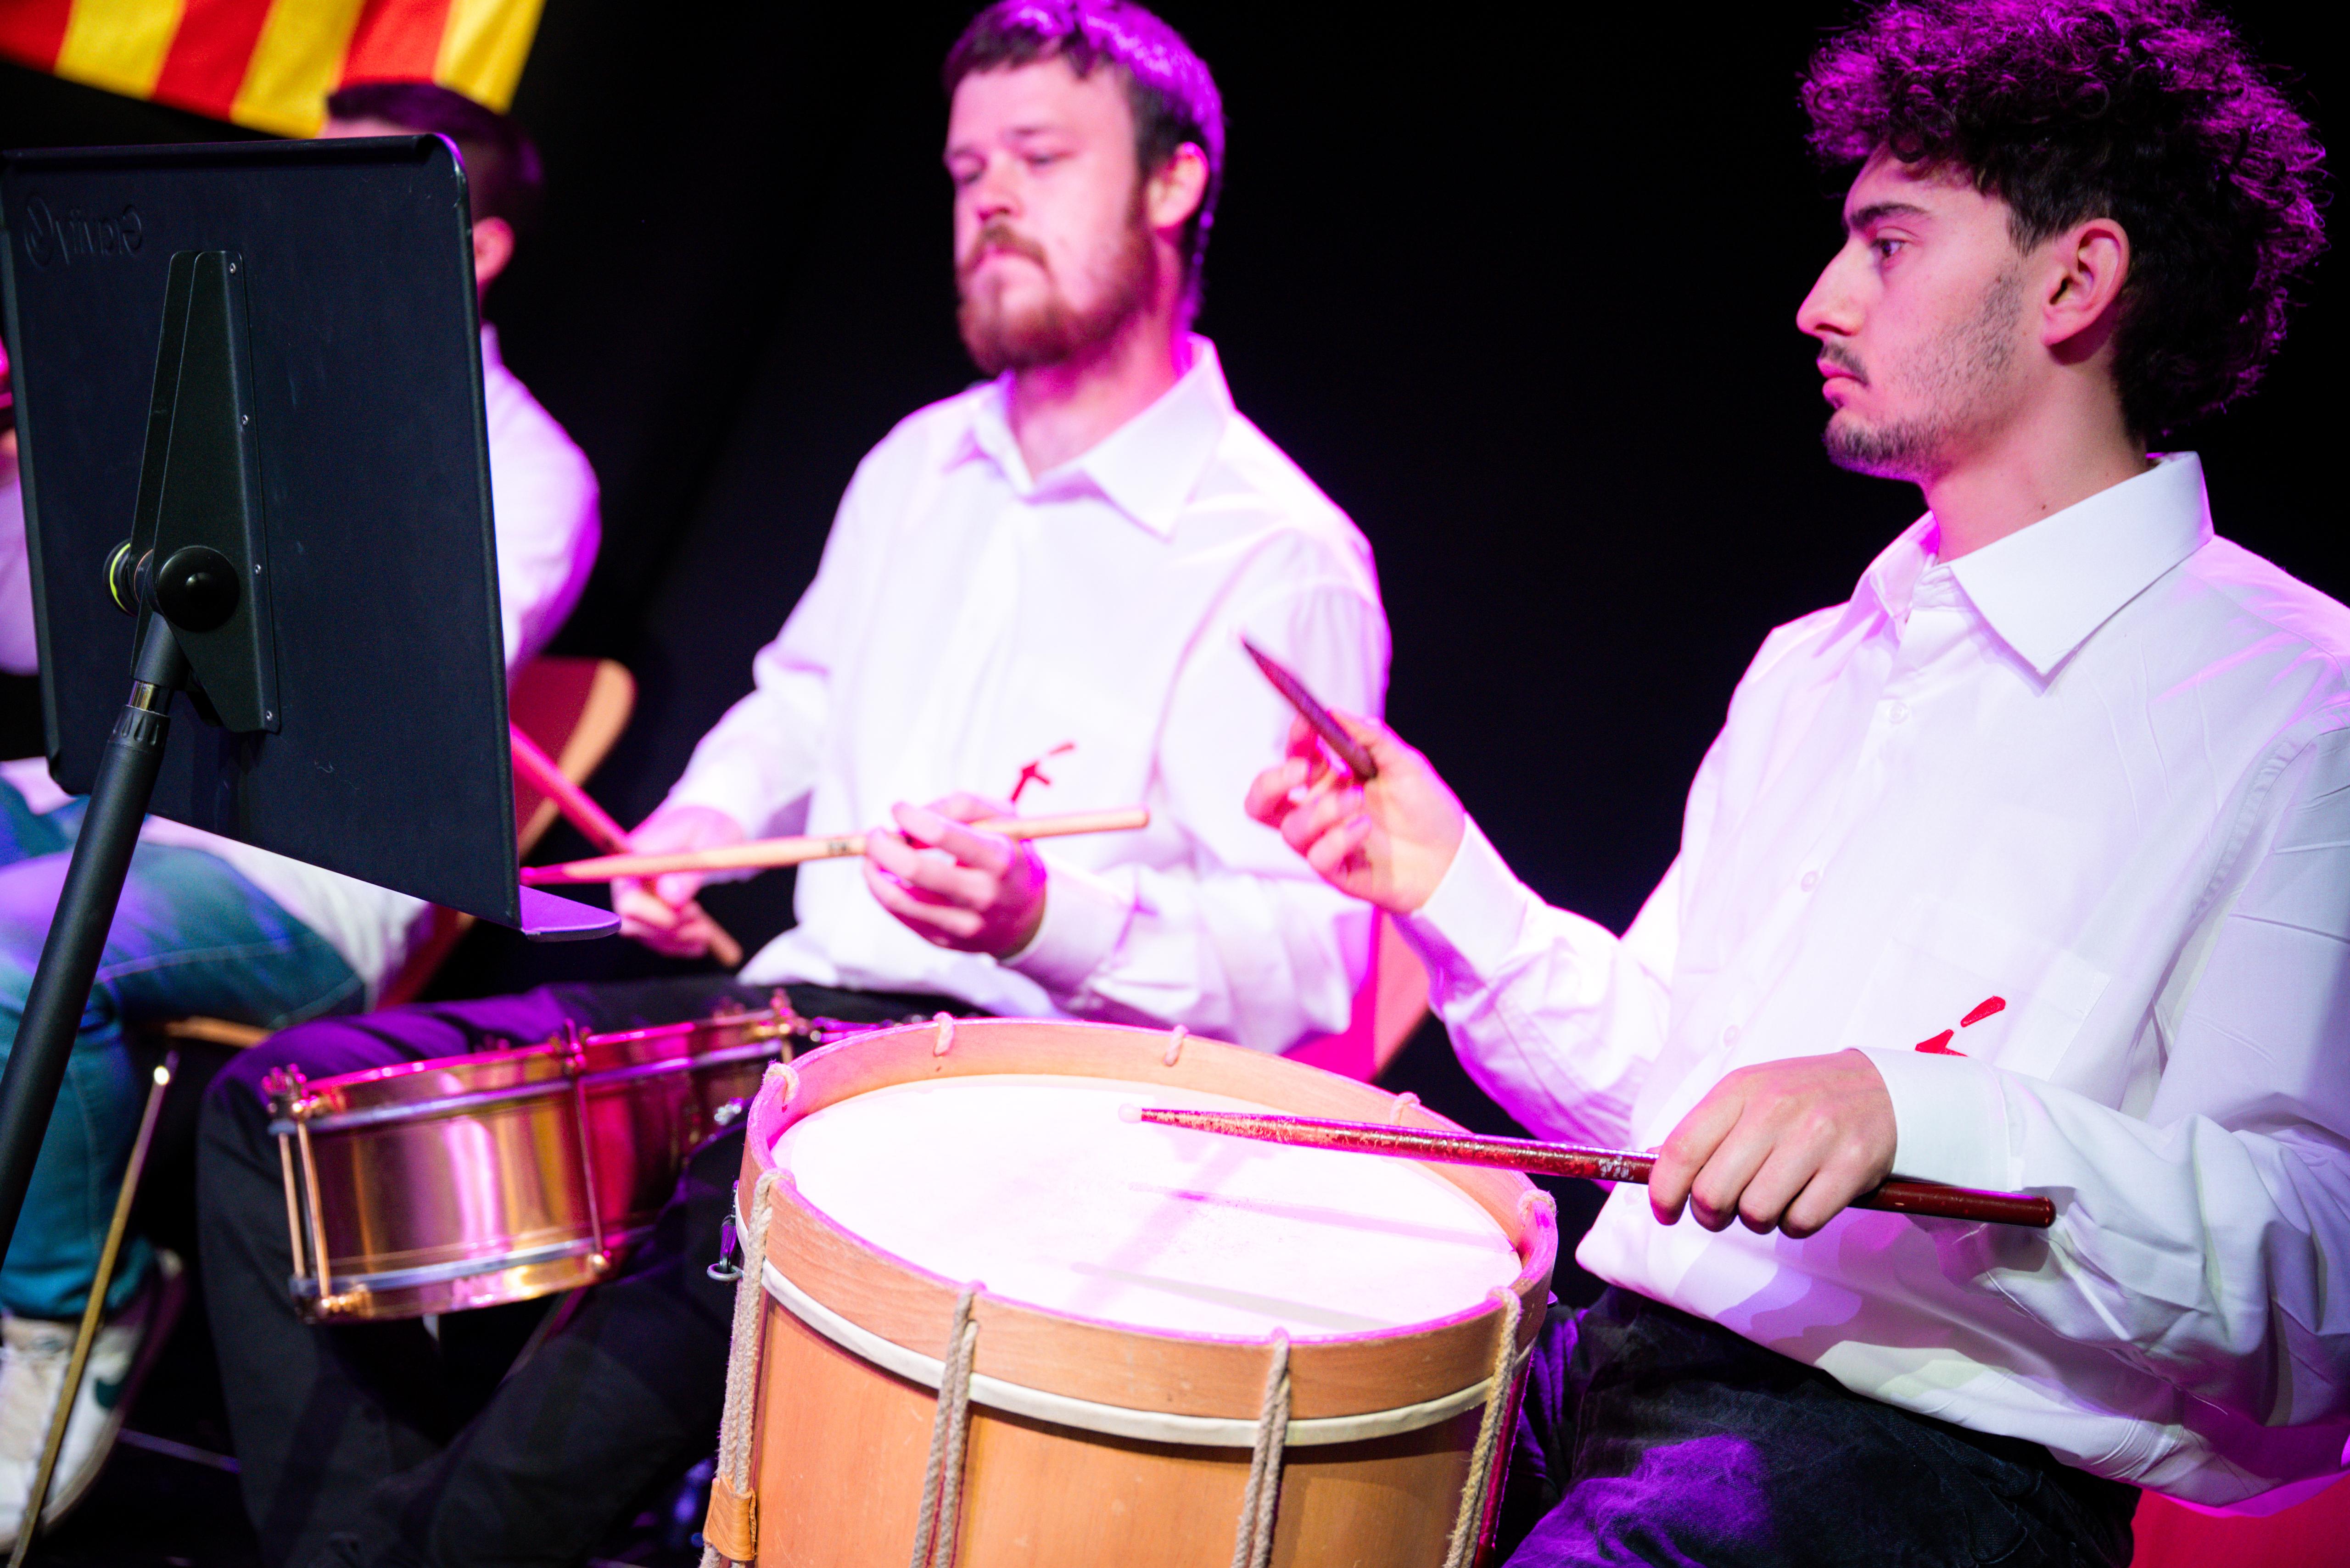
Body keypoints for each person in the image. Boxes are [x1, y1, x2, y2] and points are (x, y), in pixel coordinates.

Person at [197, 5, 1389, 1564]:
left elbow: (1302, 978)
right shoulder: (919, 462)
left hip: (1008, 1098)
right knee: (279, 1123)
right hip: (786, 1020)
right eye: (968, 169)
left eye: (1041, 159)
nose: (992, 203)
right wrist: (698, 829)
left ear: (1174, 186)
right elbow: (800, 704)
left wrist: (1047, 915)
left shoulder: (1276, 552)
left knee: (701, 1250)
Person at [1251, 1, 2335, 1562]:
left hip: (1913, 1470)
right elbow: (1683, 1117)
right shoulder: (1815, 662)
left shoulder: (2305, 700)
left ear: (2076, 280)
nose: (1819, 301)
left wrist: (1921, 1113)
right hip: (1606, 1362)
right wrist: (1445, 881)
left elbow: (2320, 1267)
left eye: (1887, 244)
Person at [0, 85, 599, 1546]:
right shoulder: (219, 385)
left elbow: (378, 701)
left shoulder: (524, 468)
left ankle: (64, 1309)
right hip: (99, 798)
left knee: (15, 952)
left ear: (480, 247)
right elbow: (36, 645)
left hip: (302, 870)